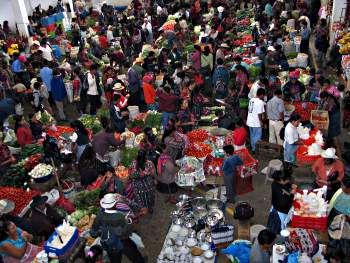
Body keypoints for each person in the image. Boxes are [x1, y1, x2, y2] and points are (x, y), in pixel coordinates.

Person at [90, 194, 145, 263]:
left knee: (115, 258)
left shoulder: (100, 214)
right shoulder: (123, 207)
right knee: (132, 252)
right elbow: (132, 220)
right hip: (123, 239)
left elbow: (93, 233)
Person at [247, 88, 266, 153]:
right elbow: (259, 114)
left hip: (250, 121)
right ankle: (256, 149)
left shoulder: (251, 100)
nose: (263, 97)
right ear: (261, 95)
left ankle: (253, 149)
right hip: (256, 122)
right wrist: (261, 122)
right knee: (257, 137)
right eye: (263, 95)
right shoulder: (260, 102)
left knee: (252, 136)